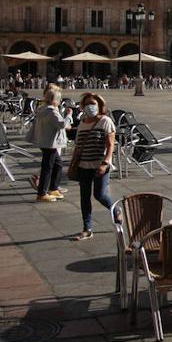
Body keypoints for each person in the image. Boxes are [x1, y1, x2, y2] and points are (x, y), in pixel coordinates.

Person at [66, 92, 114, 241]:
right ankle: (87, 229)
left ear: (100, 105)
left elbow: (110, 145)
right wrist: (73, 163)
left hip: (100, 165)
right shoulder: (82, 122)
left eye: (93, 104)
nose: (90, 107)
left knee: (99, 195)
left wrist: (105, 163)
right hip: (83, 165)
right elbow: (78, 146)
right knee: (84, 198)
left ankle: (116, 209)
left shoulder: (105, 121)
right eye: (87, 104)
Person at [31, 84, 71, 202]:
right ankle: (42, 193)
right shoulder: (51, 111)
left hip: (47, 141)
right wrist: (69, 115)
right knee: (47, 167)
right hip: (50, 143)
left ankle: (53, 188)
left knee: (57, 164)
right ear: (55, 100)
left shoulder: (43, 109)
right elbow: (62, 124)